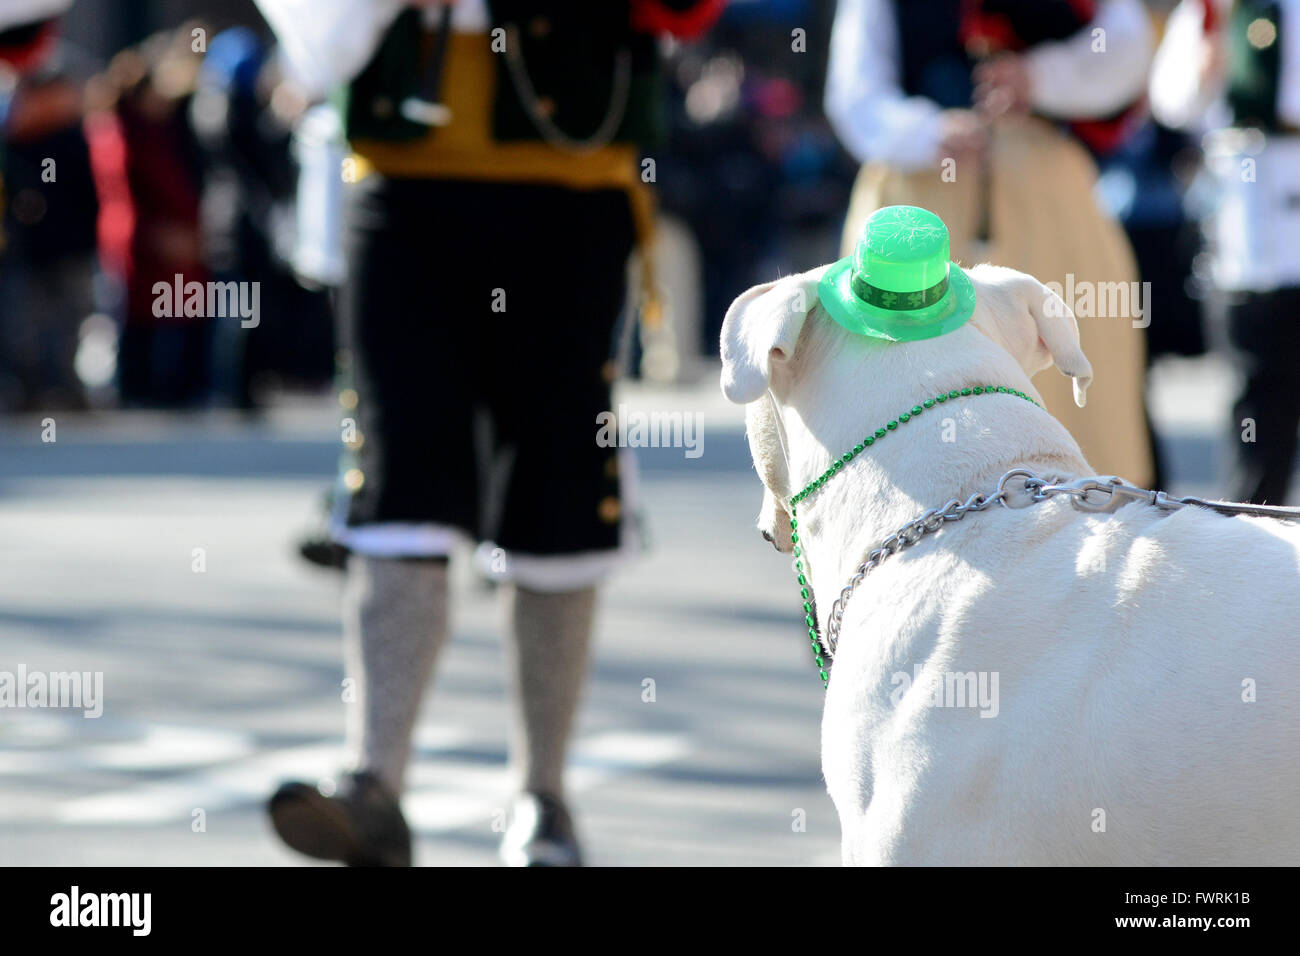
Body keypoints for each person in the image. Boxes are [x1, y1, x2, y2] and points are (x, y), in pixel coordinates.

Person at [254, 0, 722, 866]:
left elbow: (686, 11)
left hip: (569, 187)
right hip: (401, 187)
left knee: (560, 492)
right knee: (397, 479)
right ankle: (374, 785)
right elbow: (317, 47)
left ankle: (542, 796)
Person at [825, 0, 1157, 486]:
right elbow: (855, 91)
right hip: (915, 202)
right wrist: (923, 131)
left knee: (1069, 368)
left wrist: (1041, 77)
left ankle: (1084, 523)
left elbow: (1127, 48)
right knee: (899, 375)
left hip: (1044, 197)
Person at [1151, 0, 1300, 503]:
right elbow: (1171, 102)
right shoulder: (1211, 11)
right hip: (1246, 228)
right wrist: (1206, 61)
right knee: (1257, 398)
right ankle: (1254, 537)